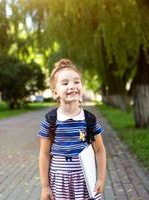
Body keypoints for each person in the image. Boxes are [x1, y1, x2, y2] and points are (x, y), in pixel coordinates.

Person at [38, 58, 106, 200]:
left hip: (85, 181)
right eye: (65, 83)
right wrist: (45, 187)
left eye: (76, 81)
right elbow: (44, 155)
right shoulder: (50, 121)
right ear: (55, 92)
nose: (72, 86)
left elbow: (99, 150)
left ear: (82, 89)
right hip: (59, 183)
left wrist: (100, 179)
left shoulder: (89, 120)